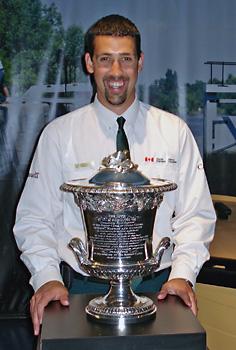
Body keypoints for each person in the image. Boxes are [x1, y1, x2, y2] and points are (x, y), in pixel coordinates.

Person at [14, 14, 216, 336]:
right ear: (90, 63)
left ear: (140, 62)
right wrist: (46, 278)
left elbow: (197, 215)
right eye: (106, 59)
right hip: (78, 292)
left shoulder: (174, 132)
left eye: (126, 59)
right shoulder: (58, 135)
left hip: (161, 289)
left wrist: (183, 274)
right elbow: (34, 218)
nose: (117, 72)